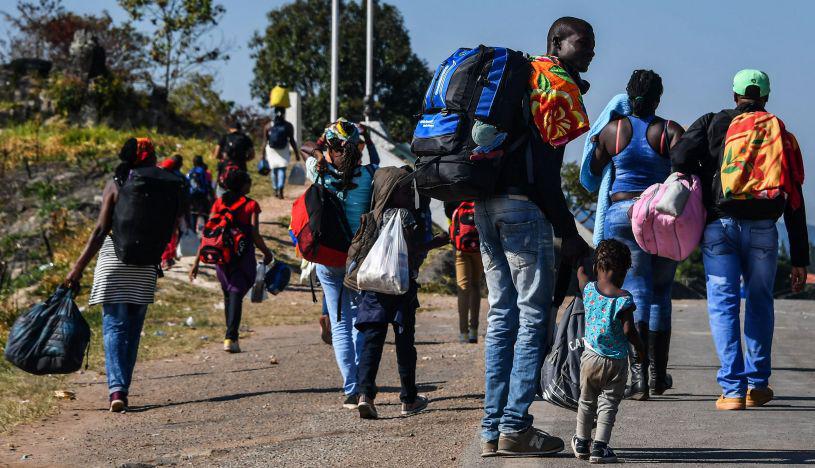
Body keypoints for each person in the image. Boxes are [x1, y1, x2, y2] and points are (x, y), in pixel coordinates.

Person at [477, 17, 594, 457]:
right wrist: (571, 236)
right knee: (530, 320)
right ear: (556, 44)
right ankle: (515, 426)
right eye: (582, 43)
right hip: (523, 210)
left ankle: (493, 429)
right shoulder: (553, 87)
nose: (590, 52)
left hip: (484, 204)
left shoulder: (516, 80)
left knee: (502, 317)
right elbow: (546, 176)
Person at [670, 69, 808, 410]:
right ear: (765, 98)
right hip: (763, 227)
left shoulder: (714, 122)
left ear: (734, 96)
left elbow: (679, 158)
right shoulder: (780, 133)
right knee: (760, 301)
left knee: (724, 305)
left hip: (720, 225)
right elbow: (794, 195)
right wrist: (800, 258)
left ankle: (732, 390)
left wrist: (709, 168)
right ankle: (758, 385)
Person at [590, 70, 685, 400]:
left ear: (628, 97)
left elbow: (592, 172)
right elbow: (685, 168)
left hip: (620, 214)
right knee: (661, 290)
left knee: (637, 288)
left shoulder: (612, 131)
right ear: (659, 98)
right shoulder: (669, 130)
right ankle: (658, 377)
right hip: (658, 215)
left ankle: (639, 378)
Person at [63, 138, 162, 412]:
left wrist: (76, 268)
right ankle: (123, 388)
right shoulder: (161, 185)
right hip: (145, 265)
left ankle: (116, 390)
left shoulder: (116, 183)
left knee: (115, 327)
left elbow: (98, 231)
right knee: (133, 330)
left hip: (114, 260)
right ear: (149, 158)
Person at [354, 167, 449, 419]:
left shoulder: (372, 216)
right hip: (400, 288)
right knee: (405, 343)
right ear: (391, 192)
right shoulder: (403, 215)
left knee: (371, 343)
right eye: (405, 190)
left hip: (373, 288)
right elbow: (410, 250)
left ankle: (365, 395)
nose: (409, 194)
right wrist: (435, 243)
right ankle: (408, 398)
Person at [303, 118, 377, 409]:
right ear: (357, 148)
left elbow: (306, 146)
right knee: (361, 320)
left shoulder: (318, 172)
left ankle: (350, 388)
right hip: (358, 258)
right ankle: (362, 387)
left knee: (340, 323)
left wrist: (321, 153)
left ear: (330, 147)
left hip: (328, 258)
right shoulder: (369, 176)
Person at [572, 239, 645, 464]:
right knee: (608, 404)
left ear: (597, 267)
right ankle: (600, 448)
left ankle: (582, 441)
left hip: (590, 358)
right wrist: (641, 351)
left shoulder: (589, 289)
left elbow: (581, 272)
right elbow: (628, 330)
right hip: (616, 362)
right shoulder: (624, 298)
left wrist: (583, 257)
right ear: (623, 271)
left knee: (586, 401)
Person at [189, 169, 274, 353]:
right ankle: (230, 337)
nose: (251, 184)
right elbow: (254, 234)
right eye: (248, 181)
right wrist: (267, 254)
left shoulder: (219, 203)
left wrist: (196, 263)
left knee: (229, 294)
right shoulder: (251, 205)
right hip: (242, 257)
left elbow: (209, 233)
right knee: (235, 293)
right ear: (242, 185)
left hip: (221, 257)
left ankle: (230, 336)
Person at [445, 201, 482, 344]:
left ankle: (463, 334)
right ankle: (474, 331)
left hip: (460, 243)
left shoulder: (455, 188)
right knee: (475, 286)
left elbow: (448, 210)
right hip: (479, 242)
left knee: (463, 288)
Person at [263, 107, 300, 199]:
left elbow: (264, 141)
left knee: (274, 170)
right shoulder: (288, 126)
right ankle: (280, 188)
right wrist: (296, 153)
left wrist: (262, 155)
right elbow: (292, 141)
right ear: (284, 113)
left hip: (271, 150)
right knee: (281, 169)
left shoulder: (268, 126)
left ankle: (275, 189)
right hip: (283, 150)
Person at [214, 121, 254, 195]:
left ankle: (223, 203)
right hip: (241, 167)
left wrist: (222, 159)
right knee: (240, 189)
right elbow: (252, 155)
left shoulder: (224, 137)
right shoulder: (246, 138)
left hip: (225, 167)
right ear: (240, 129)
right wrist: (244, 159)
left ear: (230, 129)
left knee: (222, 187)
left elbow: (216, 154)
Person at [187, 155, 214, 232]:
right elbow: (207, 184)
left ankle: (193, 232)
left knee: (193, 214)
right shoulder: (203, 171)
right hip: (202, 195)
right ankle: (207, 232)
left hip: (192, 196)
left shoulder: (191, 171)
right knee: (205, 214)